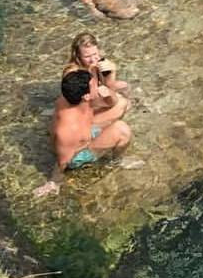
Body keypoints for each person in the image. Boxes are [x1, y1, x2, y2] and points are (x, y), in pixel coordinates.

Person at [32, 69, 132, 198]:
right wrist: (54, 181)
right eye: (95, 85)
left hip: (85, 129)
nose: (99, 86)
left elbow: (111, 102)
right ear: (86, 96)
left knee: (122, 104)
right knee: (122, 130)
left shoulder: (69, 99)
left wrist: (108, 93)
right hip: (78, 152)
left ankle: (103, 137)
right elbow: (62, 161)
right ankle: (117, 161)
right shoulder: (68, 130)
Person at [61, 32, 130, 111]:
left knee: (124, 86)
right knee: (121, 103)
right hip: (85, 102)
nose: (93, 59)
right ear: (78, 56)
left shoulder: (98, 62)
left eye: (95, 54)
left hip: (95, 91)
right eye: (87, 56)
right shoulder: (73, 73)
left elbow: (107, 84)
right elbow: (81, 98)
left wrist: (111, 71)